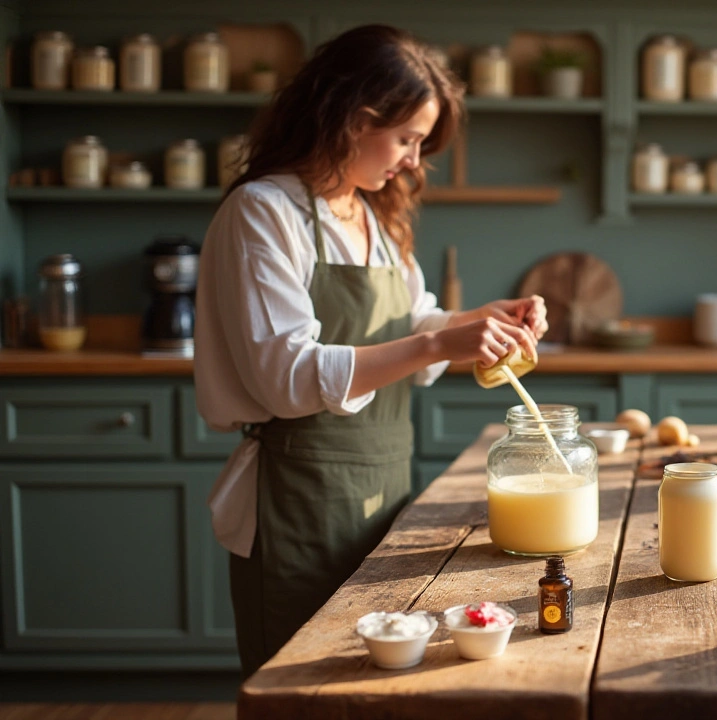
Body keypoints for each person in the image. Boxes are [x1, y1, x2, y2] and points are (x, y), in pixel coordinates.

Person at [194, 24, 548, 676]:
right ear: (356, 121)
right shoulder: (263, 212)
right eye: (409, 138)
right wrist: (441, 338)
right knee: (301, 691)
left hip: (382, 491)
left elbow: (408, 326)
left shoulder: (372, 219)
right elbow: (288, 377)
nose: (414, 161)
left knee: (374, 687)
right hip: (298, 502)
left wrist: (481, 322)